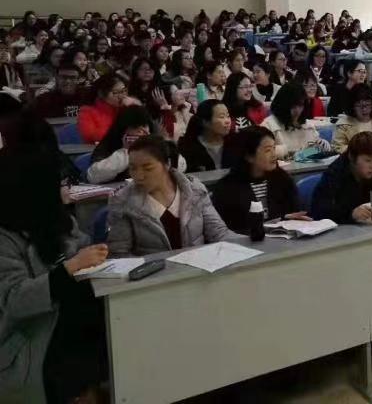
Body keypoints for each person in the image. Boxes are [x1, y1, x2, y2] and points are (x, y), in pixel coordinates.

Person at [0, 147, 109, 403]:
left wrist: (101, 254)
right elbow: (14, 301)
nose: (67, 190)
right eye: (61, 184)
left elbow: (83, 247)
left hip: (72, 324)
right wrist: (69, 268)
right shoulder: (5, 237)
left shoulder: (59, 220)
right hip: (31, 336)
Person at [107, 135, 240, 257]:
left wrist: (247, 243)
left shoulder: (195, 190)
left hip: (197, 267)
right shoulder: (123, 201)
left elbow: (218, 233)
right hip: (153, 272)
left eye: (148, 168)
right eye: (133, 168)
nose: (139, 176)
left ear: (167, 164)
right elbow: (119, 253)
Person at [211, 127, 308, 233]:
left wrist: (286, 219)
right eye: (267, 150)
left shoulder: (283, 179)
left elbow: (293, 214)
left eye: (274, 148)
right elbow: (231, 229)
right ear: (249, 156)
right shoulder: (227, 188)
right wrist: (273, 223)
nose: (274, 154)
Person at [86, 105, 172, 184]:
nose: (140, 132)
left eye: (144, 127)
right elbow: (93, 176)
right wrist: (126, 151)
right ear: (123, 130)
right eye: (136, 128)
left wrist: (155, 147)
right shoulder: (109, 144)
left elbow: (173, 169)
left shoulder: (154, 145)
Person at [262, 82, 330, 158]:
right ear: (282, 105)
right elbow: (262, 154)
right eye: (293, 106)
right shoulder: (268, 125)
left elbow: (302, 155)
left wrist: (320, 147)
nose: (297, 111)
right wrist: (287, 151)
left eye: (300, 105)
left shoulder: (307, 125)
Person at [332, 84, 372, 153]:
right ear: (352, 106)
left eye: (367, 105)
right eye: (359, 106)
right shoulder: (343, 124)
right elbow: (338, 147)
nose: (364, 109)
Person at [178, 100, 232, 172]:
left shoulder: (235, 143)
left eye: (228, 116)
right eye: (222, 117)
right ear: (205, 122)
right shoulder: (188, 148)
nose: (228, 121)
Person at [77, 73, 132, 143]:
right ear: (101, 93)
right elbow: (90, 135)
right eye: (116, 92)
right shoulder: (86, 111)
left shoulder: (126, 108)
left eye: (124, 91)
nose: (122, 96)